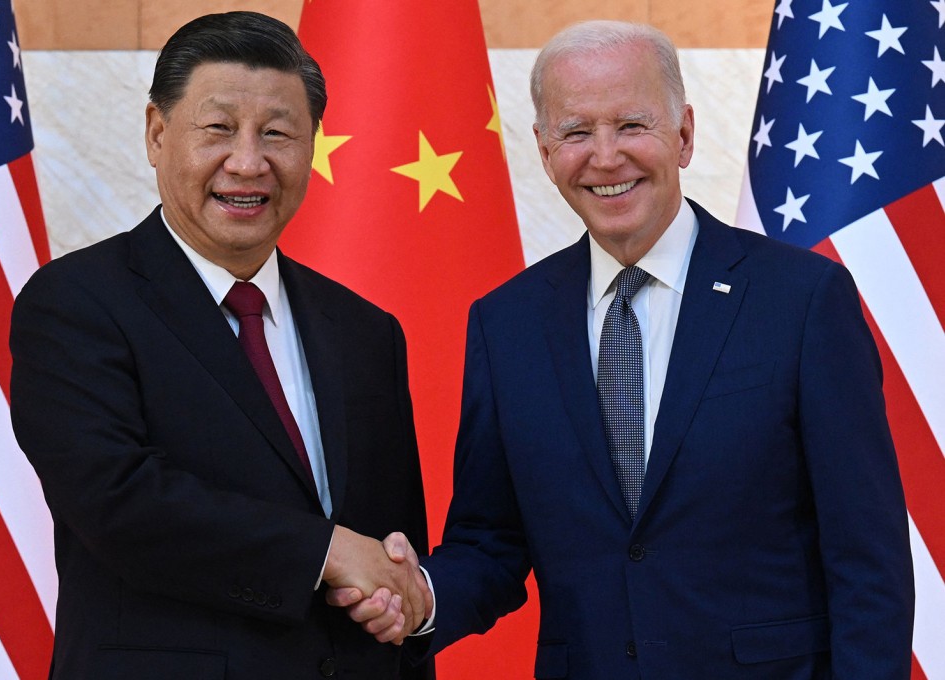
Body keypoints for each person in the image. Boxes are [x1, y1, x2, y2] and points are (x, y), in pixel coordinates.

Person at [333, 20, 915, 679]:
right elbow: (491, 542)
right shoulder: (506, 323)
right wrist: (418, 597)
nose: (605, 157)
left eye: (631, 125)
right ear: (544, 150)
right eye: (577, 132)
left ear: (684, 135)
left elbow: (868, 560)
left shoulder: (803, 299)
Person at [9, 11, 432, 680]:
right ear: (157, 133)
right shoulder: (75, 303)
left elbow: (392, 555)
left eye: (277, 133)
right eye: (219, 128)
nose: (248, 162)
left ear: (313, 146)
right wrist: (323, 551)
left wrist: (403, 603)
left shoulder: (364, 330)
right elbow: (119, 504)